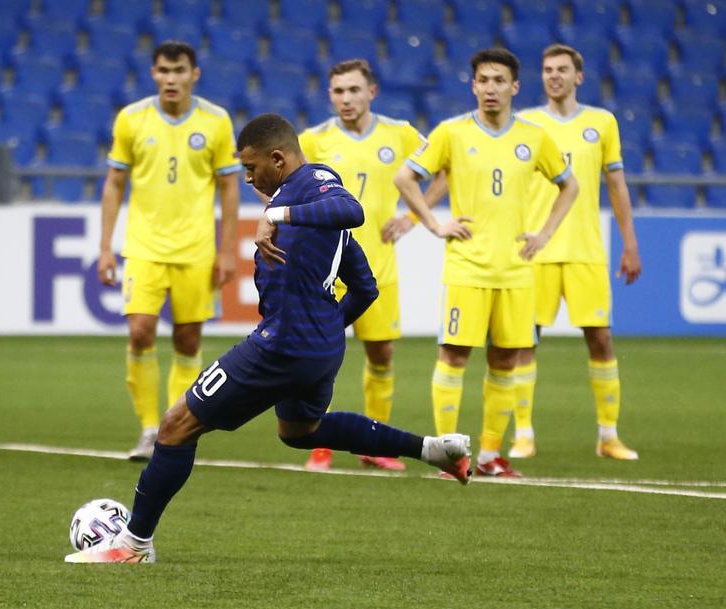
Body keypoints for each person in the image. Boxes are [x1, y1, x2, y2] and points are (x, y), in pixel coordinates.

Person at [67, 113, 472, 564]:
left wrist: (276, 214)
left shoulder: (311, 187)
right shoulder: (311, 213)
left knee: (176, 425)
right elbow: (366, 287)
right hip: (319, 348)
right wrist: (322, 332)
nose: (247, 177)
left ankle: (134, 544)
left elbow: (352, 210)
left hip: (281, 345)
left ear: (277, 159)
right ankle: (432, 449)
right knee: (302, 431)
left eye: (251, 167)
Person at [393, 48, 579, 478]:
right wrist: (434, 225)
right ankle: (447, 453)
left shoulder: (534, 137)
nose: (490, 88)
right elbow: (406, 177)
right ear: (473, 85)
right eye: (483, 80)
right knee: (454, 355)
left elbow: (569, 186)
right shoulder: (452, 132)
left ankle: (491, 454)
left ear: (514, 87)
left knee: (506, 361)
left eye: (499, 81)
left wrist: (546, 233)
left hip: (515, 269)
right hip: (468, 268)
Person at [298, 59, 446, 472]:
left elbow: (446, 169)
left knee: (381, 355)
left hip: (378, 268)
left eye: (353, 90)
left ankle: (374, 447)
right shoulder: (314, 139)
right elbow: (283, 186)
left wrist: (412, 217)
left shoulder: (398, 134)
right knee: (317, 359)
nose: (346, 99)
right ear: (330, 95)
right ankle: (318, 443)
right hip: (324, 271)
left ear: (371, 92)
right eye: (339, 92)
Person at [97, 41, 241, 461]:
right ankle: (148, 428)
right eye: (163, 70)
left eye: (179, 70)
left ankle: (174, 428)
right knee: (140, 330)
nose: (171, 78)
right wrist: (105, 247)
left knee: (187, 338)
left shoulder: (216, 121)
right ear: (153, 73)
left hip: (196, 248)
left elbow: (230, 187)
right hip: (143, 247)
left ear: (194, 74)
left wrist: (227, 250)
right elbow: (113, 183)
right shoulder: (132, 119)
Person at [510, 44, 642, 460]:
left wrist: (630, 243)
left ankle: (608, 436)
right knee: (524, 343)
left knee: (601, 340)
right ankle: (523, 435)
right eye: (547, 69)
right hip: (536, 248)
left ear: (578, 76)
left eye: (562, 69)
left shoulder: (602, 122)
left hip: (586, 248)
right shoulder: (526, 122)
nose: (554, 76)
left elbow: (616, 185)